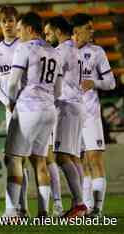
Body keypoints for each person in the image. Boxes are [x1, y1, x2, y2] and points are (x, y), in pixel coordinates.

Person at [4, 12, 62, 218]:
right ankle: (44, 211)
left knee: (14, 159)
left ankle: (11, 212)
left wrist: (12, 101)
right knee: (40, 160)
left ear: (29, 29)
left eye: (20, 30)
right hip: (48, 110)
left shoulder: (24, 48)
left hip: (28, 108)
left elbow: (12, 83)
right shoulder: (55, 52)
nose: (18, 35)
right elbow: (58, 91)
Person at [71, 13, 116, 217]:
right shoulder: (62, 51)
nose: (93, 31)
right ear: (76, 31)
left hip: (90, 114)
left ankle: (96, 209)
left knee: (94, 159)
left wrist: (94, 83)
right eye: (88, 28)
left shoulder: (97, 52)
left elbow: (111, 83)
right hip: (69, 116)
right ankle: (86, 207)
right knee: (81, 162)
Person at [0, 5, 30, 218]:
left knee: (20, 158)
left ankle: (15, 209)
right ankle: (20, 208)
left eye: (11, 20)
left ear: (17, 22)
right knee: (15, 158)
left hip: (29, 107)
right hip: (10, 109)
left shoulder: (25, 46)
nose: (7, 24)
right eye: (4, 21)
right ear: (0, 24)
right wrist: (7, 101)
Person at [44, 15, 87, 217]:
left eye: (48, 33)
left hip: (67, 106)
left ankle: (79, 204)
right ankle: (80, 203)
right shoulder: (75, 49)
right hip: (78, 105)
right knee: (72, 156)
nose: (47, 37)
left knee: (61, 157)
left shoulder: (60, 51)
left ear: (58, 32)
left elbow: (52, 80)